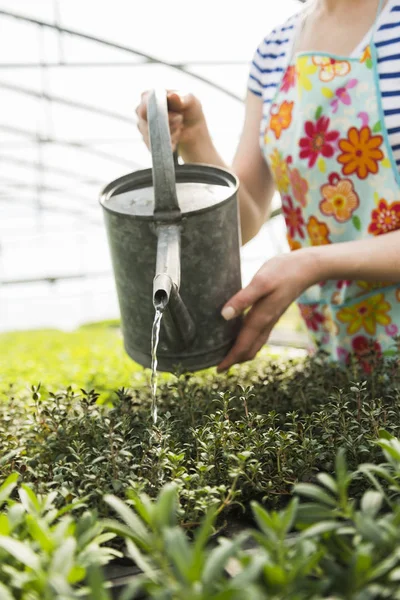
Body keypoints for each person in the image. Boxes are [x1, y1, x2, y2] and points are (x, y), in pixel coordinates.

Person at [136, 0, 400, 373]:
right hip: (342, 360)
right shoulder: (274, 53)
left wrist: (313, 263)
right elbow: (243, 221)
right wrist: (195, 139)